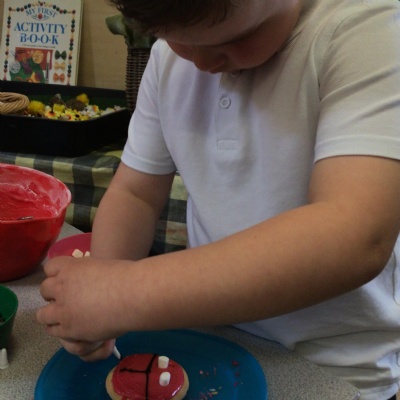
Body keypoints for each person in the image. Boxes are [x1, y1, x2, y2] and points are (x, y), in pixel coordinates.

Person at [36, 0, 400, 398]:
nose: (202, 62)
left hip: (333, 369)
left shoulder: (368, 31)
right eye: (175, 39)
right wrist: (100, 296)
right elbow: (135, 193)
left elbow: (355, 234)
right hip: (209, 335)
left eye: (238, 38)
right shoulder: (168, 59)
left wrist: (124, 292)